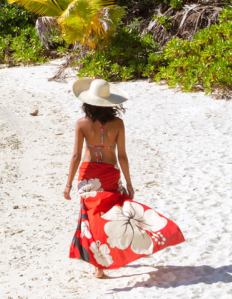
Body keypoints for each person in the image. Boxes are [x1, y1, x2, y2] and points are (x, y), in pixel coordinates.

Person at [63, 78, 184, 278]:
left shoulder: (81, 124)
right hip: (110, 175)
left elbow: (75, 156)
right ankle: (129, 245)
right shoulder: (118, 124)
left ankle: (98, 266)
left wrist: (68, 184)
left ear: (87, 101)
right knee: (117, 213)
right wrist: (128, 183)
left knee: (91, 219)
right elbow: (122, 156)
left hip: (88, 175)